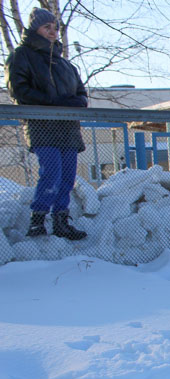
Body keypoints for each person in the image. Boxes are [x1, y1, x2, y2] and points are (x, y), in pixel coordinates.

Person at [5, 7, 88, 240]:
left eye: (55, 28)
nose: (53, 32)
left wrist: (73, 104)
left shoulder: (66, 65)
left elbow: (82, 95)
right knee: (51, 171)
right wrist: (55, 102)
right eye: (46, 27)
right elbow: (19, 91)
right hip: (42, 126)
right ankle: (38, 221)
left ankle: (62, 221)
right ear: (34, 30)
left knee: (67, 177)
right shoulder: (21, 56)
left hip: (68, 129)